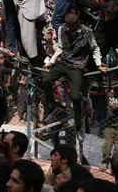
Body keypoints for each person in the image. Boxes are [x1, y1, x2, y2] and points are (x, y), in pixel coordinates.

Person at [43, 11, 105, 139]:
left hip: (78, 66)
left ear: (77, 23)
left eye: (72, 26)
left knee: (76, 96)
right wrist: (52, 61)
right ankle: (54, 104)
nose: (70, 29)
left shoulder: (87, 31)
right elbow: (60, 47)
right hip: (64, 63)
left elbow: (95, 48)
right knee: (46, 80)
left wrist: (98, 64)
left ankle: (78, 120)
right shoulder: (62, 29)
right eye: (68, 26)